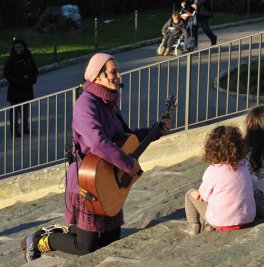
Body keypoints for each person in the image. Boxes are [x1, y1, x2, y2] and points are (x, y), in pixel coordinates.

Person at [20, 53, 171, 262]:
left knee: (110, 241)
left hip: (109, 181)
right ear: (97, 76)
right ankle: (38, 240)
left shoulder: (108, 102)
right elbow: (97, 142)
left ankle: (70, 230)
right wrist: (128, 164)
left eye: (117, 71)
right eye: (113, 72)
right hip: (88, 181)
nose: (118, 76)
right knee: (85, 248)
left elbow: (126, 137)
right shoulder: (86, 104)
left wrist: (157, 130)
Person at [180, 126, 256, 236]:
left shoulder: (213, 171)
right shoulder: (244, 166)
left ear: (212, 149)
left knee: (191, 194)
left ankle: (193, 226)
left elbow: (201, 196)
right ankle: (208, 225)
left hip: (222, 222)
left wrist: (195, 192)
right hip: (247, 219)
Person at [3, 39, 38, 137]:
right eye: (16, 47)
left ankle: (25, 128)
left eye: (21, 47)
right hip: (15, 90)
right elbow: (7, 74)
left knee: (25, 111)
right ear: (14, 48)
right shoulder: (10, 60)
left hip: (27, 89)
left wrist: (32, 80)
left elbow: (35, 70)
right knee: (14, 111)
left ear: (24, 47)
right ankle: (14, 131)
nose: (19, 49)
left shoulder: (29, 58)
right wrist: (18, 82)